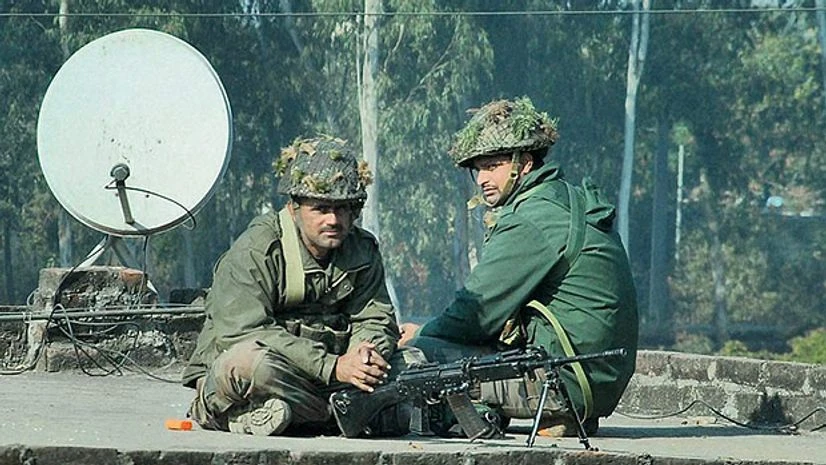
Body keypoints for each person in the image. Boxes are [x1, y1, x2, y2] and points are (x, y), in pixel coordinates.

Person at [400, 97, 639, 437]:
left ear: (523, 164)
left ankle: (536, 412)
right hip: (594, 378)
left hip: (561, 381)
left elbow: (474, 316)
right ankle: (565, 416)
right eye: (477, 168)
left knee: (413, 360)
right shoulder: (564, 200)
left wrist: (420, 334)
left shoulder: (533, 219)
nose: (482, 178)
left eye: (492, 165)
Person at [183, 135, 422, 436]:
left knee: (413, 363)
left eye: (344, 208)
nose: (334, 219)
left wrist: (366, 352)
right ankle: (227, 412)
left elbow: (375, 317)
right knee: (248, 364)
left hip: (333, 376)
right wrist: (332, 367)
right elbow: (243, 332)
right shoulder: (256, 250)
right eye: (321, 209)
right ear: (294, 208)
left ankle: (305, 413)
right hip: (279, 369)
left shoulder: (362, 250)